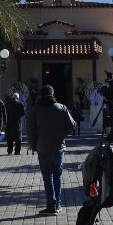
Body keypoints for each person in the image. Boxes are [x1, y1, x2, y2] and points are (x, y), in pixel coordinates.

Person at [27, 84, 75, 214]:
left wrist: (33, 145)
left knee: (47, 178)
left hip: (42, 149)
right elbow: (72, 126)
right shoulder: (62, 108)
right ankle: (58, 204)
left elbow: (30, 130)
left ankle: (50, 205)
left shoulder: (35, 109)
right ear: (53, 94)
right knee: (57, 177)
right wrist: (61, 135)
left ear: (41, 95)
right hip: (58, 148)